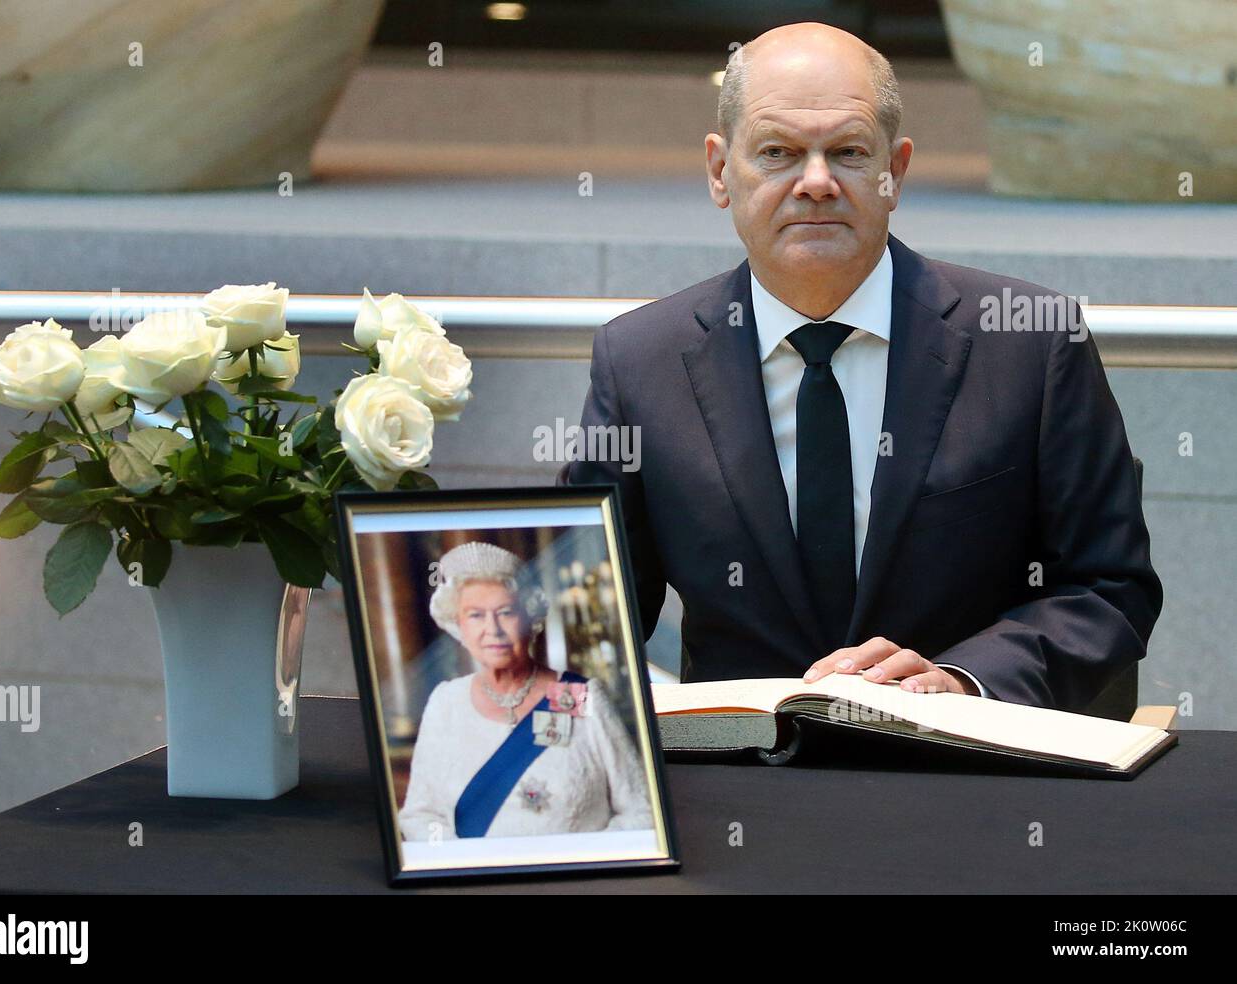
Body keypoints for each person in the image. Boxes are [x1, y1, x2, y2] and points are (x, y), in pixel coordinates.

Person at [558, 23, 1163, 711]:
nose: (815, 182)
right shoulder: (639, 361)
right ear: (720, 172)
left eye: (847, 152)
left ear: (895, 172)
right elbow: (591, 621)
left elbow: (1107, 588)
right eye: (778, 152)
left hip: (963, 772)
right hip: (741, 788)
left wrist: (964, 681)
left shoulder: (1031, 344)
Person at [397, 540, 654, 841]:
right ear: (458, 626)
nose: (492, 629)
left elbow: (642, 812)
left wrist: (581, 859)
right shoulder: (445, 702)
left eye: (506, 612)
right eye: (475, 615)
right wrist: (468, 868)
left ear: (529, 618)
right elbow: (419, 815)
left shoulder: (581, 696)